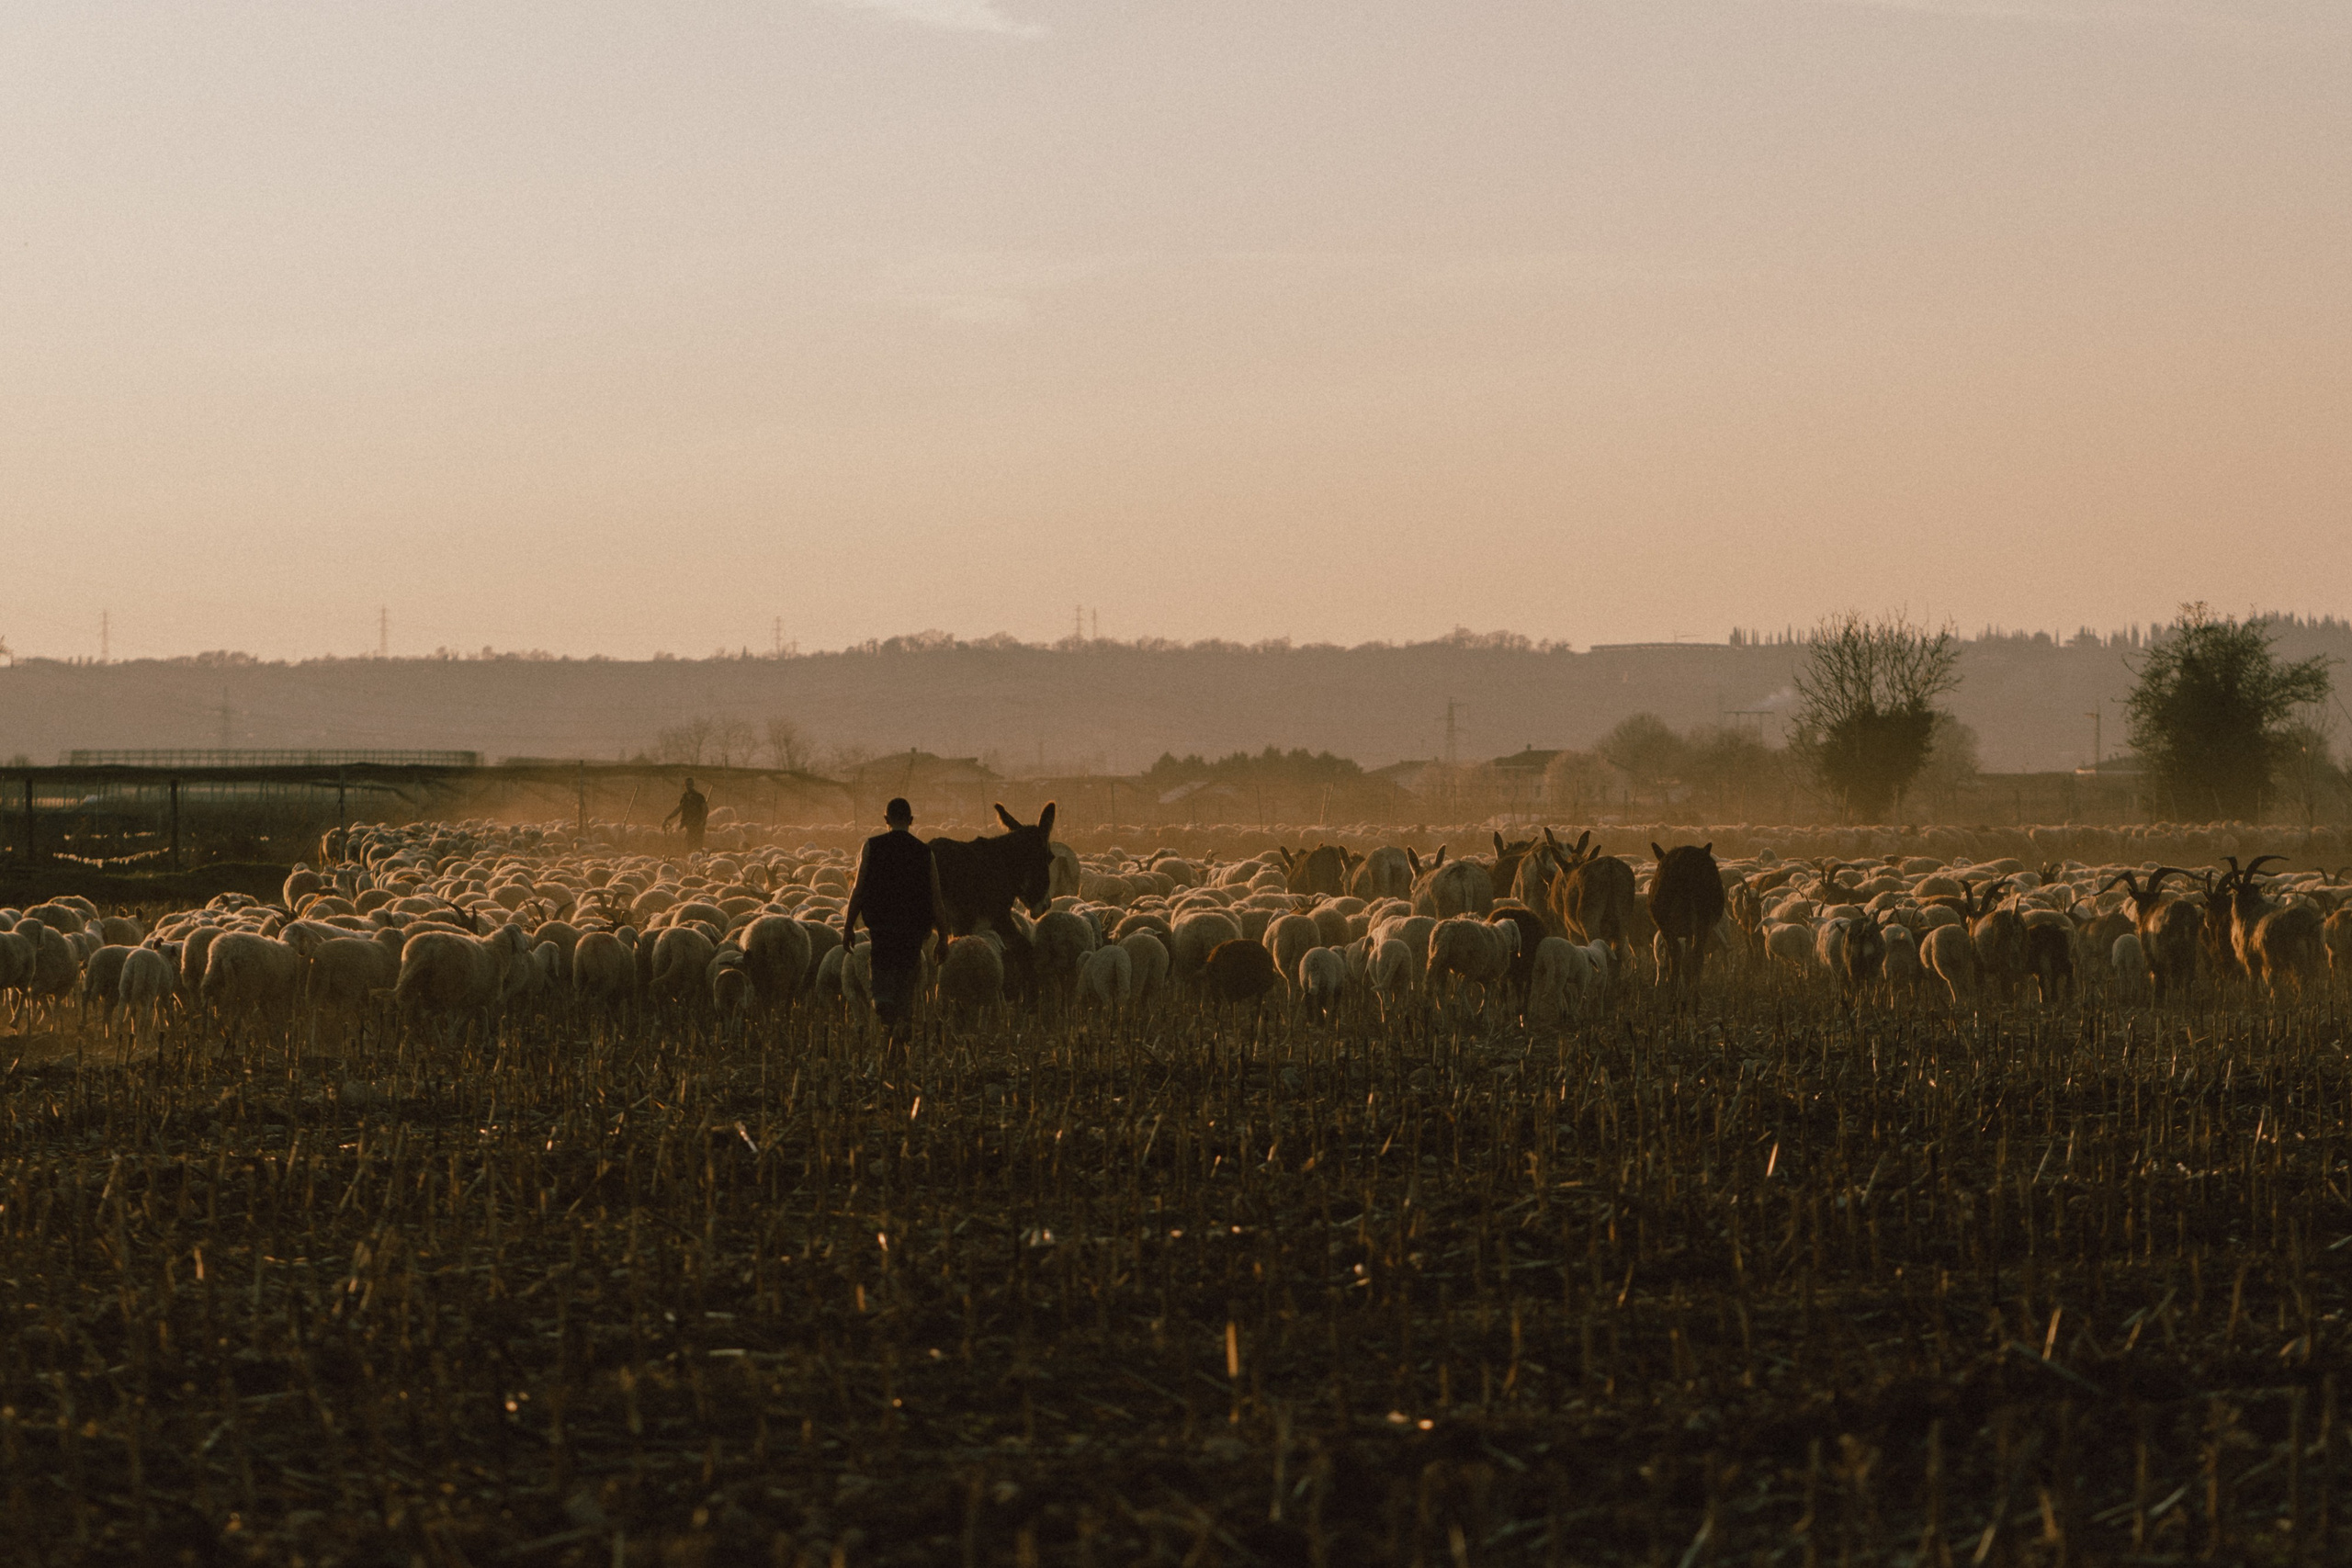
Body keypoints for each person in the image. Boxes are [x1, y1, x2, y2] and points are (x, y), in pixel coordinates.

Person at [842, 796, 944, 1035]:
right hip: (913, 930)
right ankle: (902, 1024)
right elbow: (936, 898)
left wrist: (848, 926)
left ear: (885, 819)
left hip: (883, 928)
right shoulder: (925, 852)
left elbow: (858, 889)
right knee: (907, 980)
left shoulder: (871, 846)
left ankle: (886, 1010)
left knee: (882, 977)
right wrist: (944, 936)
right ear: (911, 820)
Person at [662, 776, 709, 855]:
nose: (688, 786)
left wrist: (702, 822)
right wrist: (668, 818)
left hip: (697, 825)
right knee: (688, 847)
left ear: (693, 785)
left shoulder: (699, 797)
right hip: (687, 825)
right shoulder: (684, 797)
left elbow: (705, 810)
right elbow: (678, 809)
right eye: (687, 784)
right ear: (684, 785)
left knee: (697, 848)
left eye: (690, 784)